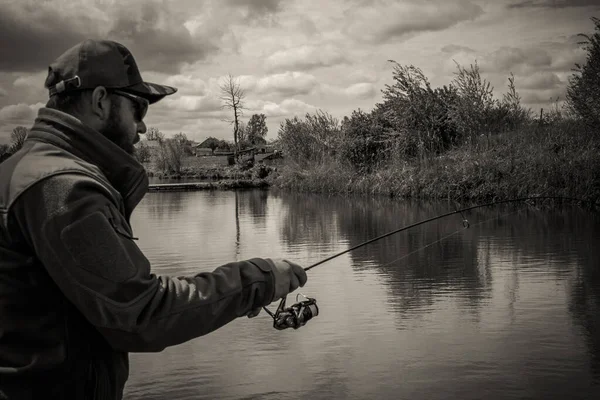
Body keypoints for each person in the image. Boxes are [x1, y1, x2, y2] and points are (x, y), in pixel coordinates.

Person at [0, 39, 307, 400]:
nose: (143, 127)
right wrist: (260, 279)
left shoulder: (18, 171)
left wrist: (230, 300)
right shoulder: (62, 189)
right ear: (100, 101)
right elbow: (141, 313)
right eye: (139, 108)